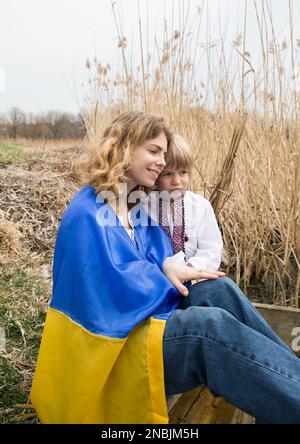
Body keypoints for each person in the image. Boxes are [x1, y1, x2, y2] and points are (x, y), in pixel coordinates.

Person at [30, 111, 300, 424]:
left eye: (164, 153)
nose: (162, 162)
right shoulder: (88, 212)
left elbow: (156, 259)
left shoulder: (131, 206)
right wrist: (164, 274)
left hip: (140, 322)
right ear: (125, 146)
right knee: (207, 329)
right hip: (113, 350)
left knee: (218, 288)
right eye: (154, 151)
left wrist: (172, 268)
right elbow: (107, 295)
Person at [146, 133, 223, 273]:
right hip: (157, 280)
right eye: (168, 174)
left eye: (183, 172)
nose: (177, 181)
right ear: (156, 175)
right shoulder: (144, 206)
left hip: (195, 278)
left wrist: (191, 268)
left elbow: (211, 248)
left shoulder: (201, 206)